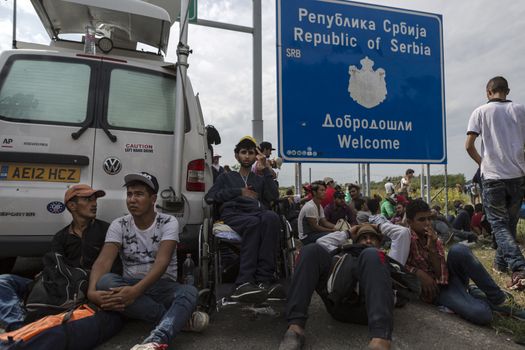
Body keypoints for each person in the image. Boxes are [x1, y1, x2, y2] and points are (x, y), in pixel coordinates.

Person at [87, 172, 208, 350]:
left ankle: (156, 340)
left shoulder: (168, 222)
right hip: (129, 286)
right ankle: (177, 320)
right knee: (105, 282)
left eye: (139, 194)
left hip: (161, 286)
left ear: (153, 199)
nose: (132, 200)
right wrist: (91, 292)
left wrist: (135, 292)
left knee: (189, 292)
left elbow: (162, 262)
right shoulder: (119, 224)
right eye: (129, 194)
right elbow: (103, 262)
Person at [0, 184, 118, 332]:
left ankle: (26, 328)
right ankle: (19, 327)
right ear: (72, 205)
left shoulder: (107, 230)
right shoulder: (60, 237)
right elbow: (53, 267)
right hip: (58, 286)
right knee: (3, 281)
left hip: (86, 289)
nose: (94, 204)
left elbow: (114, 266)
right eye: (88, 199)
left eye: (95, 200)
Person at [405, 199, 525, 325]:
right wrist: (417, 272)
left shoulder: (433, 238)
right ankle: (473, 295)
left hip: (447, 280)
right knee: (482, 315)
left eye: (429, 219)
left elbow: (441, 274)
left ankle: (498, 298)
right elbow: (396, 264)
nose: (427, 223)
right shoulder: (405, 238)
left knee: (459, 250)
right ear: (409, 222)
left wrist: (432, 248)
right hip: (437, 292)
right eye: (421, 220)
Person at [278, 224, 394, 350]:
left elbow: (402, 233)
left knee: (371, 254)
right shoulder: (344, 252)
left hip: (367, 310)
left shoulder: (387, 255)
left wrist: (378, 225)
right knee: (310, 250)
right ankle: (295, 328)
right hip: (337, 304)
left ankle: (381, 339)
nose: (368, 240)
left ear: (380, 241)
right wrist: (348, 233)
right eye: (363, 237)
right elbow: (321, 242)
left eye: (373, 238)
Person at [465, 76, 525, 287]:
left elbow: (469, 145)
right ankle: (499, 265)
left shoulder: (480, 112)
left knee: (499, 225)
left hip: (493, 177)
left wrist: (483, 164)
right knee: (509, 223)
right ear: (507, 91)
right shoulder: (520, 110)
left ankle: (519, 268)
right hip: (517, 176)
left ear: (488, 92)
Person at [205, 136, 280, 303]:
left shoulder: (259, 179)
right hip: (234, 213)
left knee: (272, 218)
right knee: (254, 223)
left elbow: (274, 196)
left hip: (256, 211)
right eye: (243, 152)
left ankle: (264, 279)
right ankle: (243, 282)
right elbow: (210, 197)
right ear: (237, 156)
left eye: (251, 153)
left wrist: (266, 168)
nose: (247, 156)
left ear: (256, 156)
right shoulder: (226, 177)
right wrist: (239, 192)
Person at [367, 198, 411, 265]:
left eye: (399, 208)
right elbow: (383, 230)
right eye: (396, 208)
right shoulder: (380, 218)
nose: (397, 210)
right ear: (378, 207)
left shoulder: (371, 217)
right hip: (388, 241)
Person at [298, 181, 337, 245]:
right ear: (314, 192)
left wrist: (337, 227)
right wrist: (331, 230)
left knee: (336, 234)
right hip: (306, 237)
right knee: (332, 236)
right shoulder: (310, 207)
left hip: (313, 233)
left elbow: (324, 222)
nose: (324, 192)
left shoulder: (319, 205)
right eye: (321, 190)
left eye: (324, 190)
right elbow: (315, 227)